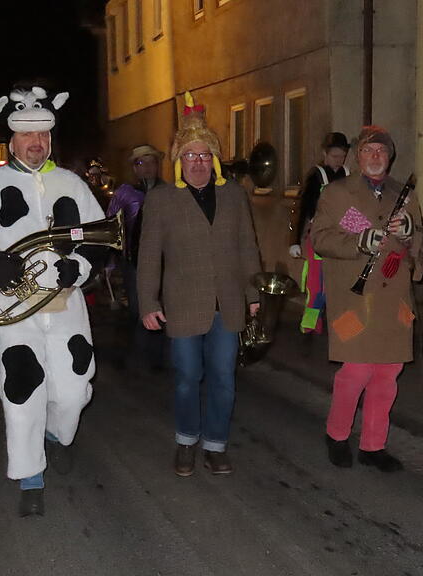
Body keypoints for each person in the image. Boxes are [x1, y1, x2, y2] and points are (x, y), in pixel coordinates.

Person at [0, 85, 106, 516]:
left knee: (75, 390)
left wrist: (82, 267)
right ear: (12, 140)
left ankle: (56, 436)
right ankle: (29, 476)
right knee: (21, 393)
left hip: (65, 305)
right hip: (11, 309)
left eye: (43, 135)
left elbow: (98, 239)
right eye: (27, 135)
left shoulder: (71, 183)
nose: (37, 143)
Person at [138, 92, 261, 477]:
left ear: (215, 159)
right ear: (178, 161)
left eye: (204, 155)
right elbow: (148, 256)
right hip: (182, 304)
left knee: (224, 379)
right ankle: (187, 441)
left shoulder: (233, 195)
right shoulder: (161, 200)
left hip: (227, 302)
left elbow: (247, 246)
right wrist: (147, 302)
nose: (198, 163)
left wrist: (253, 293)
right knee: (188, 379)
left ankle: (216, 445)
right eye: (190, 156)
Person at [311, 125, 423, 473]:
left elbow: (422, 236)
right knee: (356, 372)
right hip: (355, 299)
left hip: (394, 299)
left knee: (387, 374)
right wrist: (359, 241)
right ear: (357, 156)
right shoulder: (336, 193)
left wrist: (411, 234)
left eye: (381, 151)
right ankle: (336, 435)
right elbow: (320, 238)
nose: (375, 156)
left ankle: (373, 445)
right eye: (368, 151)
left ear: (389, 157)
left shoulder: (404, 194)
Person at [106, 144, 167, 371]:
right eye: (142, 163)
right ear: (135, 168)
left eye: (152, 162)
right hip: (134, 262)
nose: (148, 167)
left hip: (164, 262)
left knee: (160, 307)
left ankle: (156, 358)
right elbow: (111, 225)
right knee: (137, 308)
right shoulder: (125, 193)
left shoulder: (169, 192)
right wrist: (111, 262)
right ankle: (131, 353)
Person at [289, 132, 350, 335]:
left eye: (342, 156)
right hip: (318, 238)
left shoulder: (348, 176)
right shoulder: (316, 176)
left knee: (341, 285)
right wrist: (294, 241)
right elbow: (302, 208)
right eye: (334, 156)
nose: (338, 161)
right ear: (325, 153)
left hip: (342, 238)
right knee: (316, 285)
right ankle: (310, 326)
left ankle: (342, 329)